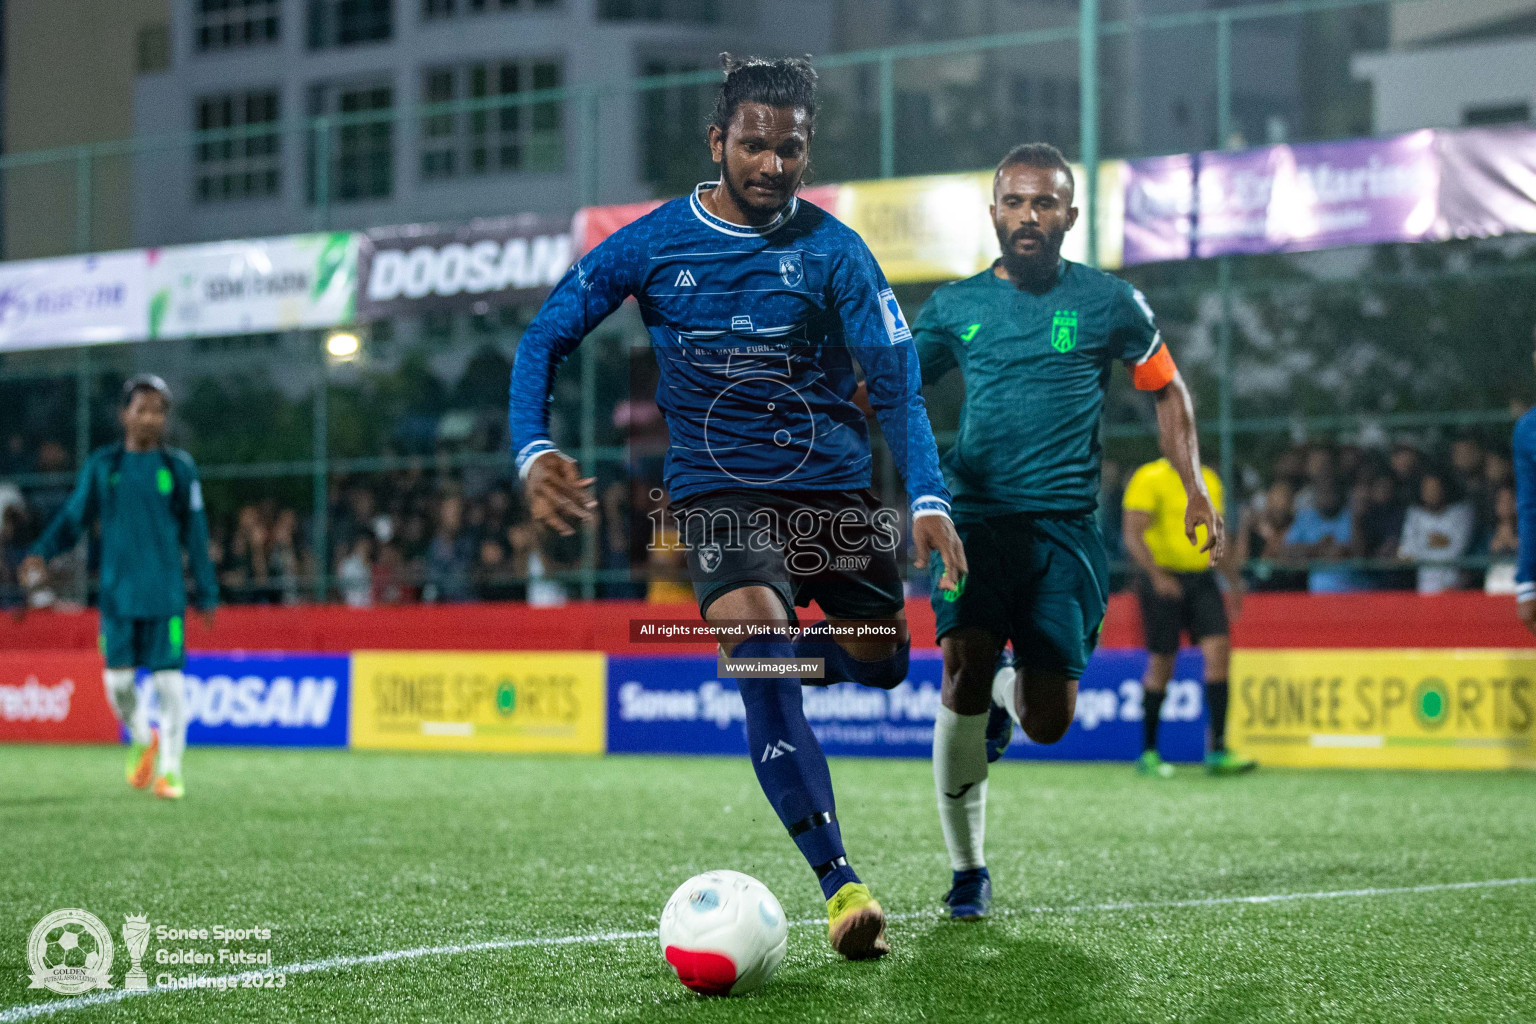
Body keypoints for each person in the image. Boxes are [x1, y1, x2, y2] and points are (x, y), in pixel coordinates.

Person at [508, 55, 965, 960]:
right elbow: (545, 334)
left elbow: (898, 386)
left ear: (807, 151)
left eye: (788, 149)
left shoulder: (836, 252)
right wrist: (534, 446)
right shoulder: (653, 244)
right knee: (762, 654)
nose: (770, 165)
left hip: (830, 490)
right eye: (753, 146)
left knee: (881, 665)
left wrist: (928, 497)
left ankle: (780, 660)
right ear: (718, 142)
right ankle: (844, 886)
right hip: (718, 492)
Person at [904, 143, 1221, 921]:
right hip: (973, 520)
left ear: (1069, 217)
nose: (1028, 217)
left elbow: (1169, 391)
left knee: (1049, 723)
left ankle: (1014, 699)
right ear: (994, 212)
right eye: (1014, 202)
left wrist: (1192, 487)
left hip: (1066, 534)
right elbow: (898, 394)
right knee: (962, 669)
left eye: (1044, 204)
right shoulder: (955, 307)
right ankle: (967, 869)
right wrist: (922, 494)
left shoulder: (1111, 303)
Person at [20, 375, 217, 800]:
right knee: (119, 687)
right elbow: (72, 520)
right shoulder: (103, 466)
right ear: (124, 414)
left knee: (170, 684)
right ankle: (142, 738)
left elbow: (196, 535)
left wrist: (207, 589)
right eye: (142, 409)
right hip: (117, 598)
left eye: (159, 411)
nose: (150, 418)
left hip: (165, 597)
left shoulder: (178, 468)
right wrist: (40, 552)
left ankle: (171, 770)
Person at [1122, 457, 1254, 778]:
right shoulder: (1148, 477)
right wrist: (1156, 575)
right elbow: (1133, 535)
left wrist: (1234, 581)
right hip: (1161, 580)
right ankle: (1149, 753)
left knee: (1219, 654)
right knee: (1162, 664)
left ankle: (1219, 750)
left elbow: (1215, 535)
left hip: (1201, 580)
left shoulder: (1209, 478)